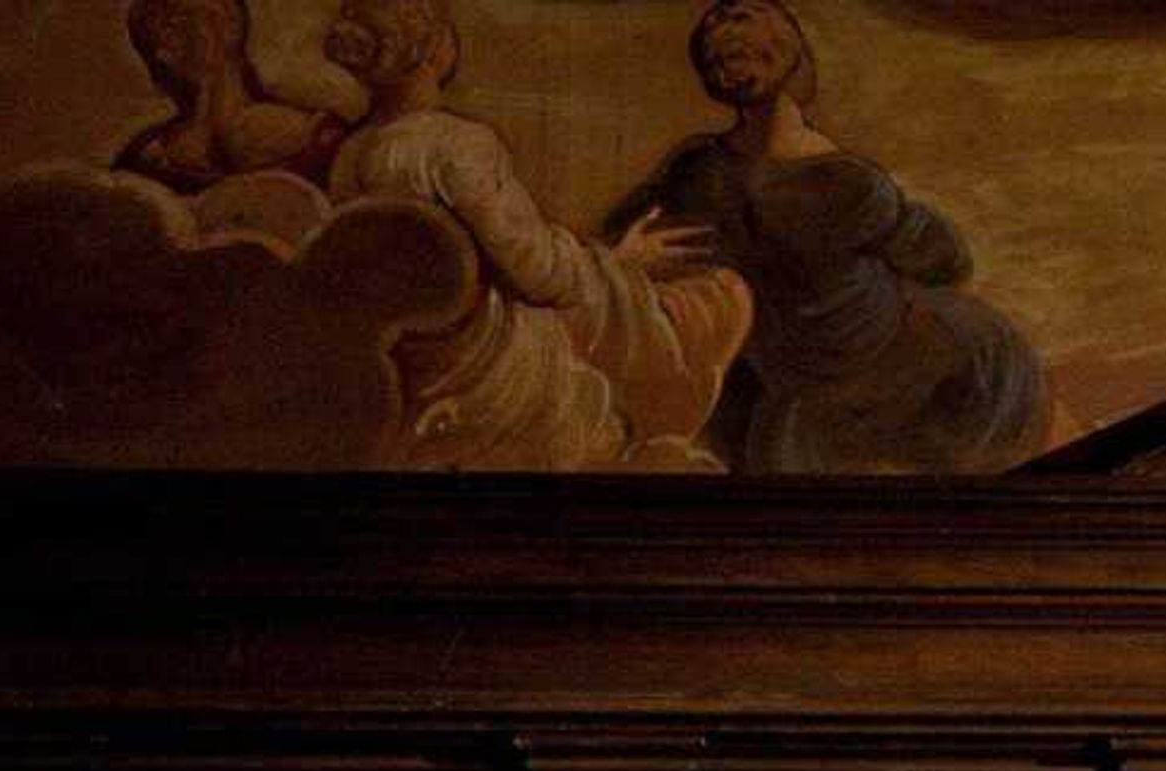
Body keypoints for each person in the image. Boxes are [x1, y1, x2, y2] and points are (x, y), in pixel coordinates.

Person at [603, 1, 1054, 474]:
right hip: (864, 380)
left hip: (794, 384)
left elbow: (616, 240)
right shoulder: (848, 183)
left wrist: (623, 260)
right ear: (792, 58)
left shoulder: (695, 170)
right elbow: (947, 260)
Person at [322, 0, 751, 466]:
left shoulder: (349, 156)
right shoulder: (453, 145)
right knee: (703, 313)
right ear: (432, 50)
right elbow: (540, 274)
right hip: (489, 380)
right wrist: (617, 262)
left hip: (411, 377)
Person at [114, 0, 349, 193]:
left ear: (229, 21)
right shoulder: (144, 156)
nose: (162, 53)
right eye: (148, 39)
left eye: (176, 25)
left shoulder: (319, 137)